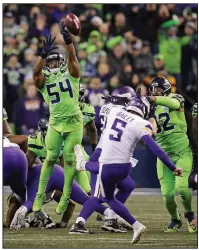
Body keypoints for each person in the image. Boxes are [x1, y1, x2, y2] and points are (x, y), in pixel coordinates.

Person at [70, 95, 182, 244]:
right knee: (111, 197)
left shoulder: (114, 113)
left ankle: (82, 165)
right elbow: (155, 147)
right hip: (124, 167)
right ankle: (134, 225)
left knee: (103, 195)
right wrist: (172, 166)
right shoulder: (141, 123)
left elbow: (114, 110)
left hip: (108, 164)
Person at [32, 22, 83, 215]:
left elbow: (73, 58)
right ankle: (39, 195)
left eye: (56, 61)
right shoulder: (44, 80)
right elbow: (35, 73)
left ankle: (65, 196)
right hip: (55, 122)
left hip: (74, 121)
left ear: (61, 63)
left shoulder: (71, 74)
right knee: (51, 157)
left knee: (69, 160)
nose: (53, 64)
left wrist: (68, 40)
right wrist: (42, 54)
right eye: (49, 62)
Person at [148, 77, 196, 233]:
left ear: (166, 89)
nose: (155, 92)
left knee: (182, 188)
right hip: (164, 156)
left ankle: (190, 216)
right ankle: (175, 220)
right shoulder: (152, 108)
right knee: (167, 195)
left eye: (159, 89)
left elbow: (174, 104)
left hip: (182, 152)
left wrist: (154, 98)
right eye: (154, 89)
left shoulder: (176, 98)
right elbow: (151, 128)